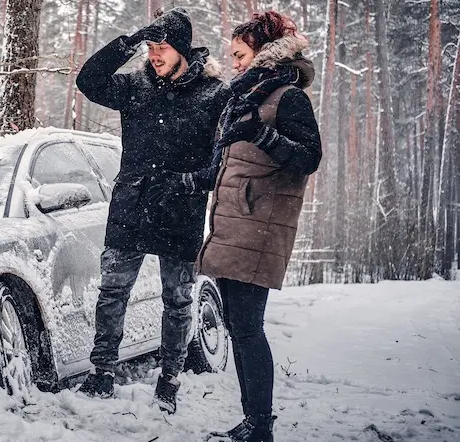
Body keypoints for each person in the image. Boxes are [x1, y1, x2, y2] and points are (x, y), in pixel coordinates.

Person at [74, 8, 229, 414]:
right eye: (151, 47)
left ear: (181, 49)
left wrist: (193, 182)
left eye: (163, 47)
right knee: (112, 292)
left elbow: (224, 160)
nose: (155, 54)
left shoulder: (215, 94)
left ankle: (170, 381)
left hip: (181, 208)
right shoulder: (134, 85)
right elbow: (87, 81)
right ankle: (102, 371)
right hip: (131, 205)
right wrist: (128, 41)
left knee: (177, 300)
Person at [196, 11, 322, 442]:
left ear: (263, 54)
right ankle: (253, 422)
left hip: (259, 226)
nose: (232, 63)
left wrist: (264, 136)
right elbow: (230, 160)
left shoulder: (288, 97)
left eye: (239, 54)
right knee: (236, 325)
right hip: (233, 223)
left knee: (248, 328)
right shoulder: (245, 98)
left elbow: (309, 158)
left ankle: (259, 427)